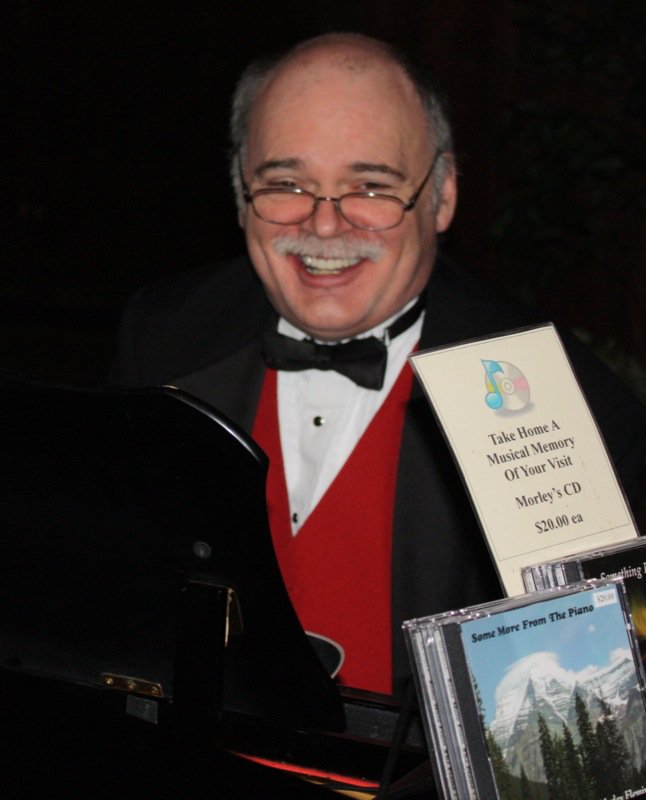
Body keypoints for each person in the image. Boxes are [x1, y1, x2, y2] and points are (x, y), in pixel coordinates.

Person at [111, 32, 645, 700]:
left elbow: (585, 685)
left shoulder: (560, 399)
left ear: (441, 195)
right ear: (241, 190)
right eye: (286, 184)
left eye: (370, 186)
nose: (324, 226)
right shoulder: (164, 335)